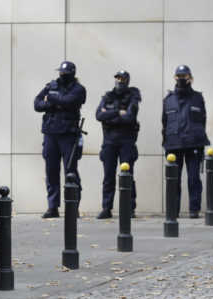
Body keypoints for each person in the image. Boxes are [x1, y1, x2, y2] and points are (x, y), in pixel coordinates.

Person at [34, 61, 86, 218]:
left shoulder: (78, 89)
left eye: (65, 73)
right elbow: (37, 104)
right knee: (51, 172)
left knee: (71, 172)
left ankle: (73, 206)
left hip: (68, 135)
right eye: (60, 72)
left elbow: (69, 102)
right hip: (50, 134)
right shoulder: (51, 85)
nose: (62, 75)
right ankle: (52, 207)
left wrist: (50, 99)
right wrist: (55, 101)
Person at [162, 65, 210, 219]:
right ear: (175, 78)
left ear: (190, 77)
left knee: (194, 178)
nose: (182, 78)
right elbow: (164, 122)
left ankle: (194, 210)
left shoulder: (197, 98)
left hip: (193, 144)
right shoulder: (168, 100)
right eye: (179, 76)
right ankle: (173, 211)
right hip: (174, 144)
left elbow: (203, 120)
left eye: (185, 76)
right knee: (174, 180)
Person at [95, 70, 140, 219]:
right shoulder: (108, 96)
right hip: (109, 142)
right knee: (108, 176)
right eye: (117, 78)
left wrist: (109, 114)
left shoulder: (133, 97)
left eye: (122, 78)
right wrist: (117, 112)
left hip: (126, 141)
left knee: (127, 175)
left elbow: (129, 117)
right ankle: (106, 208)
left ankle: (129, 208)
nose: (119, 81)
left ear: (127, 80)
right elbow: (98, 115)